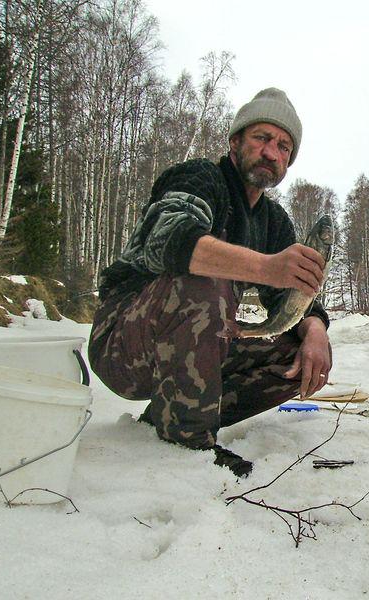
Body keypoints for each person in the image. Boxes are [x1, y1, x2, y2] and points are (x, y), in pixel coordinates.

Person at [88, 88, 332, 477]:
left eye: (284, 146)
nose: (272, 152)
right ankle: (188, 446)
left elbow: (292, 295)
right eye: (262, 138)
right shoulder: (200, 178)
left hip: (196, 341)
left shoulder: (274, 221)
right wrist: (268, 267)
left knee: (296, 352)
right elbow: (169, 239)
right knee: (204, 279)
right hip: (123, 342)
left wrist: (316, 328)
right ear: (235, 141)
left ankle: (171, 416)